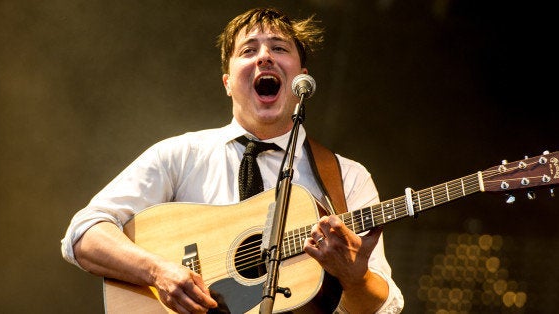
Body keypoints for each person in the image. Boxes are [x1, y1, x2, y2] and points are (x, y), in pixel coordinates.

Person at [61, 7, 404, 314]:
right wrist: (158, 271)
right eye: (249, 50)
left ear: (302, 77)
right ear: (227, 82)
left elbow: (382, 309)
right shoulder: (181, 155)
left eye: (279, 48)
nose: (265, 57)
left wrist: (354, 278)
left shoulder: (346, 178)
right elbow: (83, 234)